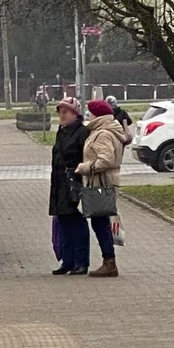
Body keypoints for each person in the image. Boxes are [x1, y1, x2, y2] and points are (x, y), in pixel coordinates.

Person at [77, 99, 124, 277]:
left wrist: (84, 167)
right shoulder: (107, 130)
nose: (88, 115)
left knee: (100, 222)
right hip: (105, 181)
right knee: (101, 222)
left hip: (102, 182)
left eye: (90, 112)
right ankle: (108, 260)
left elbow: (106, 160)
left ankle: (109, 262)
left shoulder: (103, 134)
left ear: (96, 115)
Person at [49, 97, 90, 275]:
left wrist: (78, 174)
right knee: (63, 222)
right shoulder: (62, 131)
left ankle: (81, 262)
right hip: (59, 183)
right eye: (60, 112)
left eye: (65, 112)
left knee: (77, 223)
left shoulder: (82, 132)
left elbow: (85, 157)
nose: (62, 115)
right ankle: (67, 261)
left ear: (75, 113)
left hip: (74, 183)